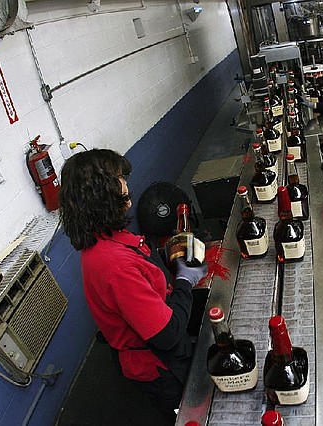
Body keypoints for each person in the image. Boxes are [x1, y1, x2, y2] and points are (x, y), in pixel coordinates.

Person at [58, 149, 207, 423]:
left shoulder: (106, 237)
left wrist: (166, 259)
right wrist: (185, 281)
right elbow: (168, 335)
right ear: (102, 194)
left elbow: (140, 269)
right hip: (161, 367)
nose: (126, 185)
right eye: (119, 179)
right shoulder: (115, 266)